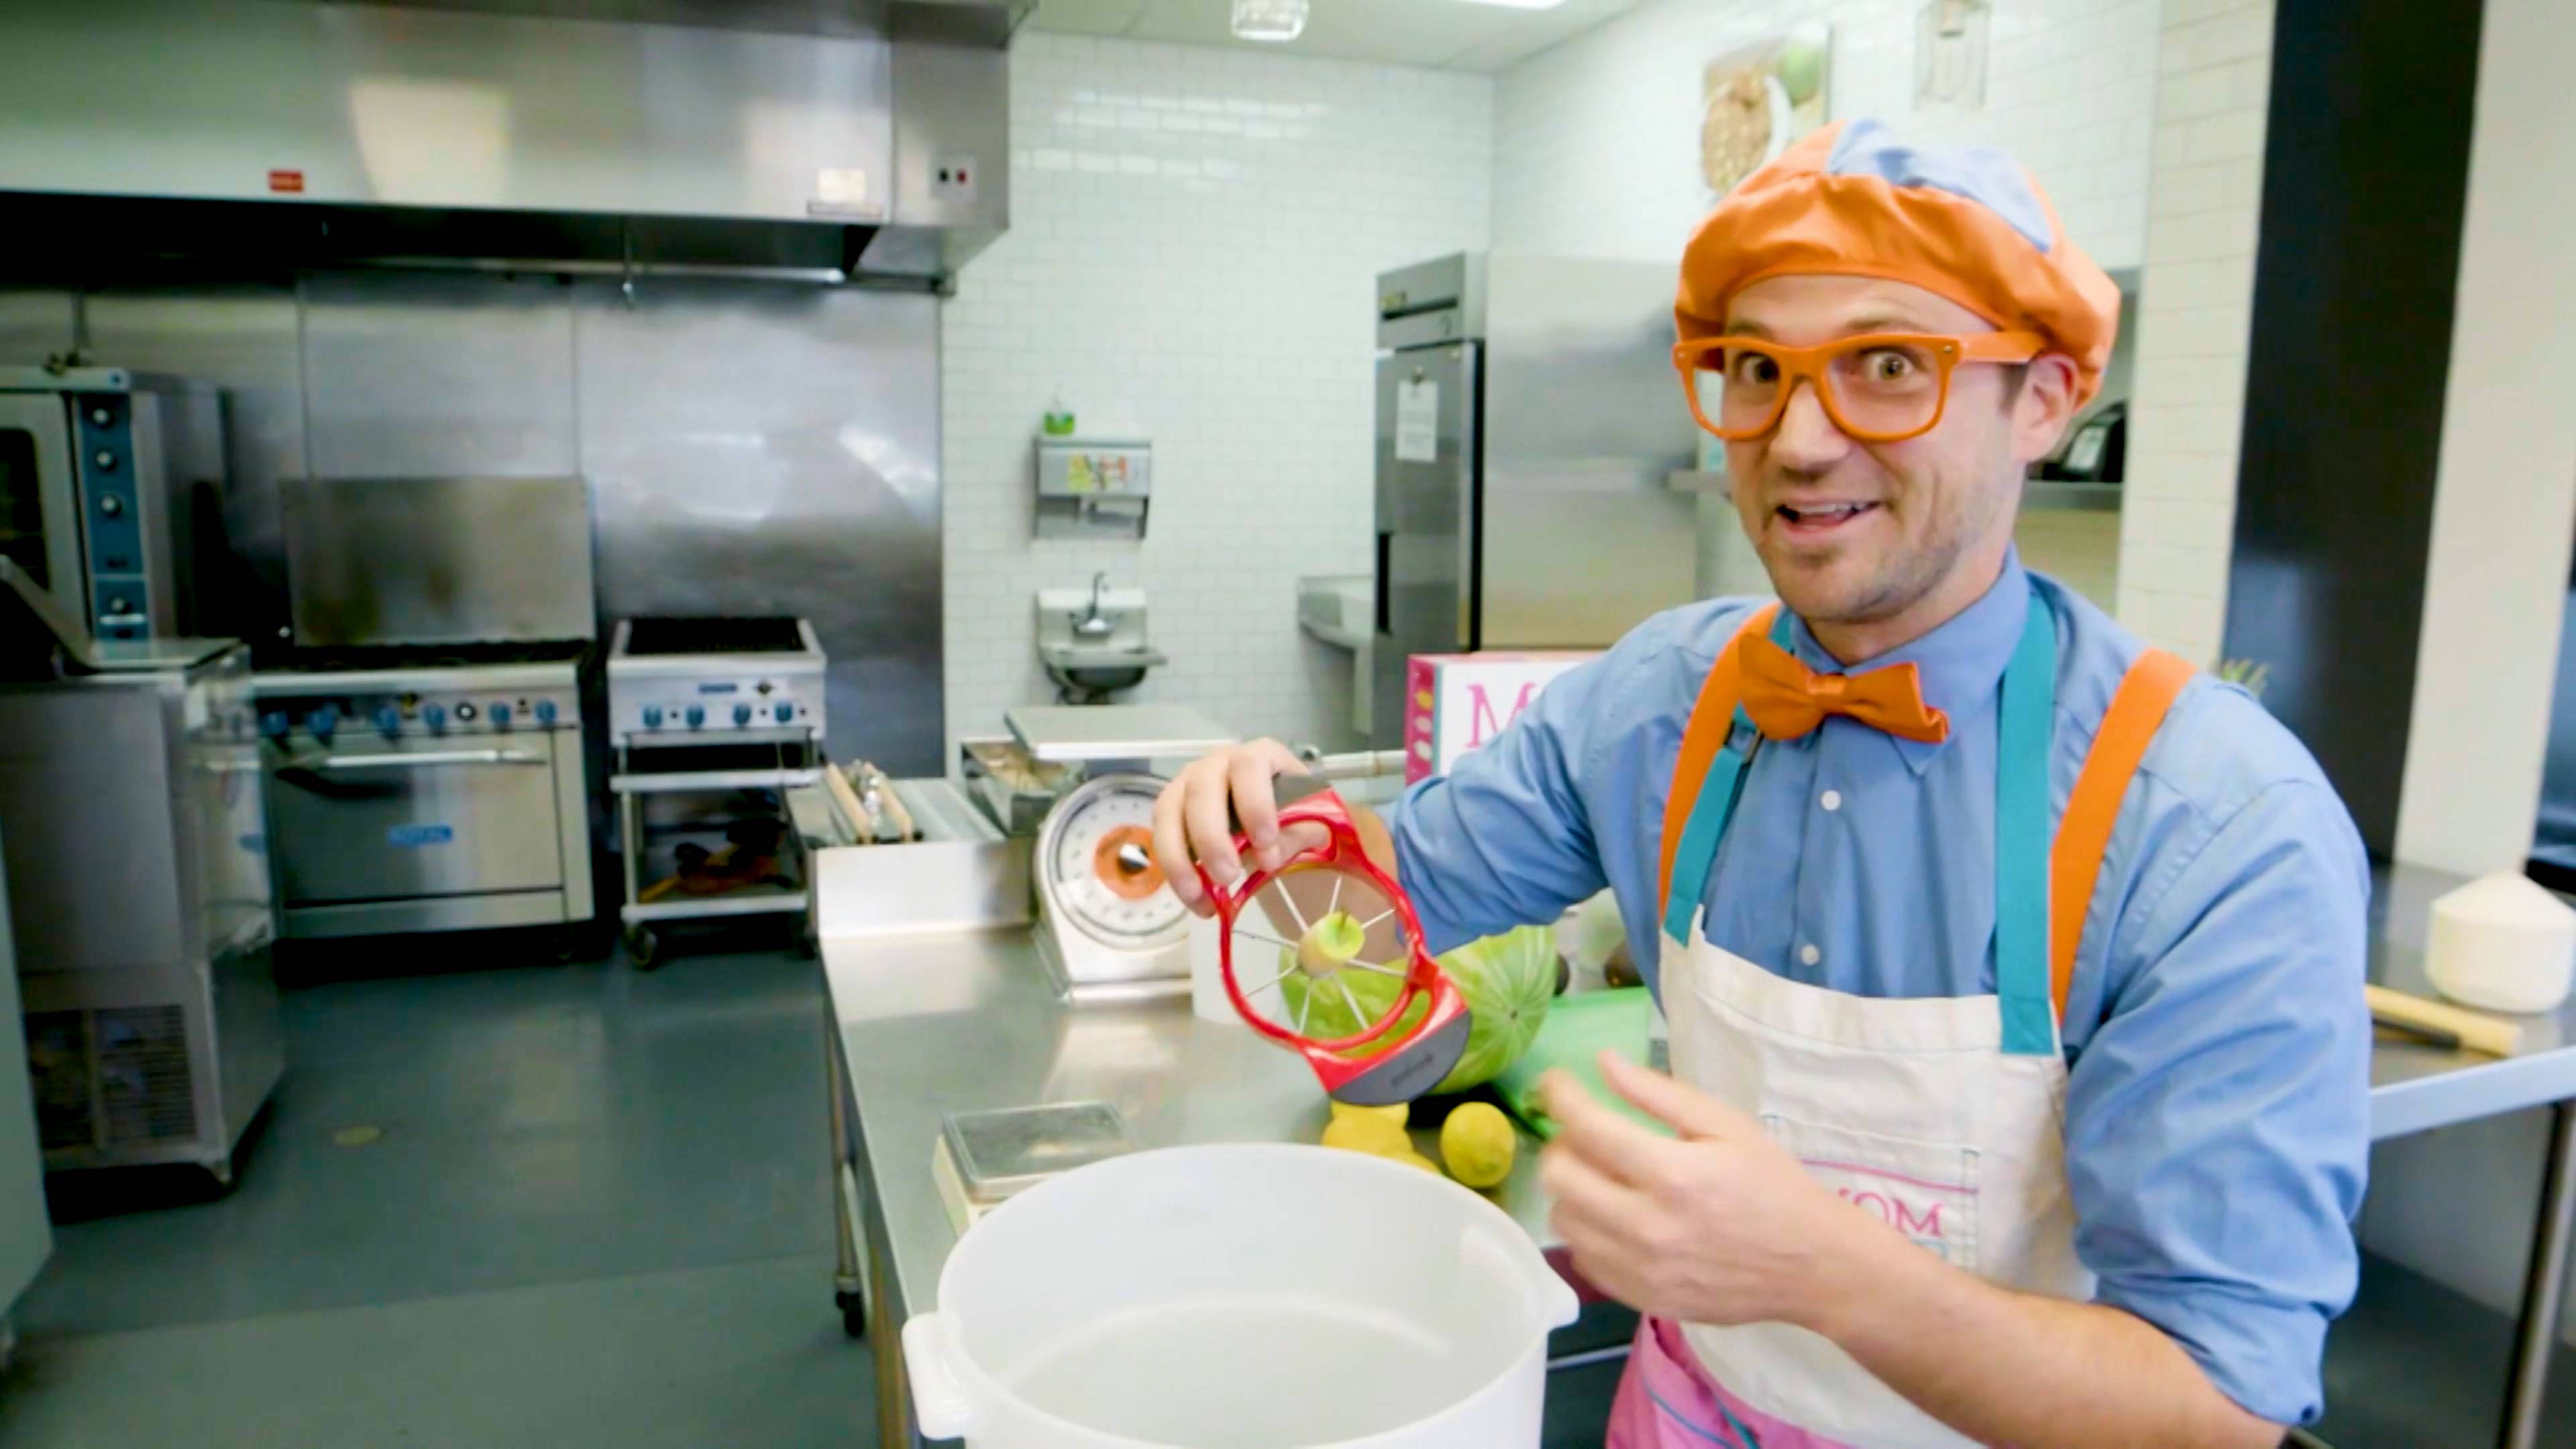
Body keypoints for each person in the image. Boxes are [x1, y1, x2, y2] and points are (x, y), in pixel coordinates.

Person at [1152, 117, 2368, 1448]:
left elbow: (2217, 1408)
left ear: (2047, 398)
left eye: (1888, 367)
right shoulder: (1653, 706)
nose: (1796, 441)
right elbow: (1372, 944)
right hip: (1687, 1412)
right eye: (1753, 369)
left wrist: (1830, 1274)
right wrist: (1274, 846)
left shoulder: (2212, 822)